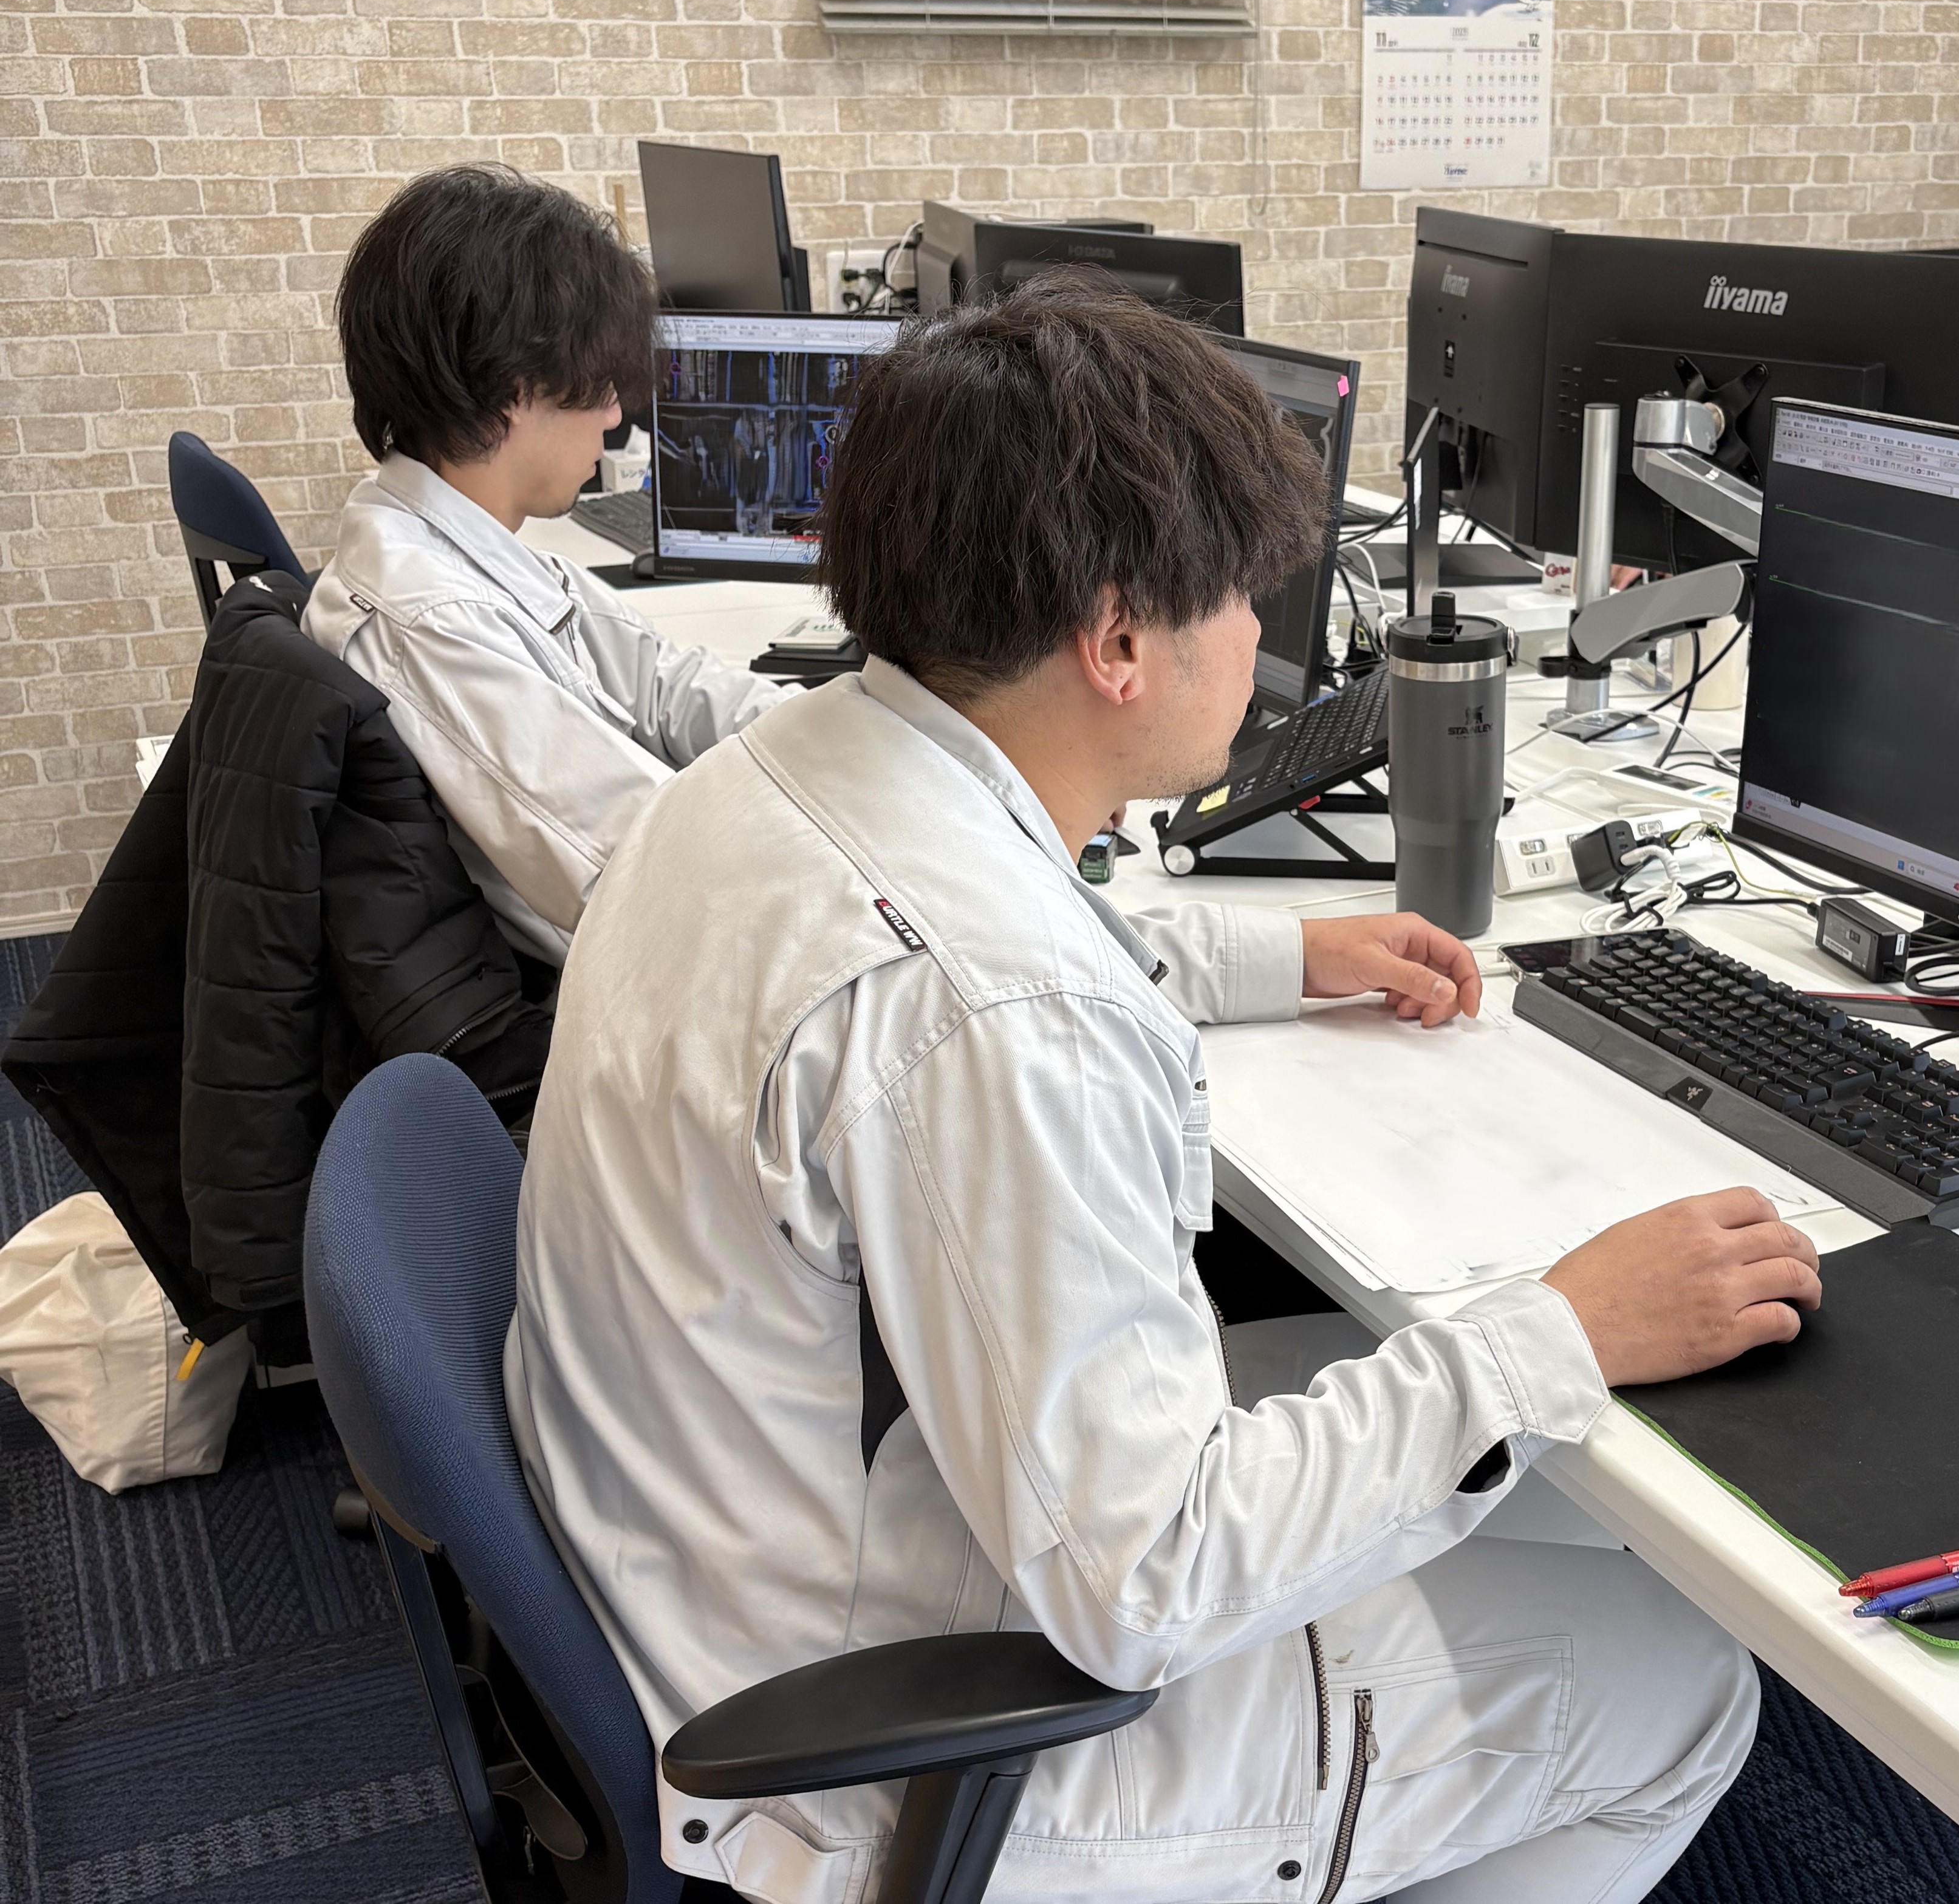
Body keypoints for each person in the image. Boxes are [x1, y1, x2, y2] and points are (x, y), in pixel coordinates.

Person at [506, 273, 1823, 1903]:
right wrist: (1563, 1328)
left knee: (1455, 1428)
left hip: (719, 1561)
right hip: (905, 1727)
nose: (1263, 635)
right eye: (1241, 596)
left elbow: (1002, 937)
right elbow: (1150, 1581)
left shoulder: (778, 773)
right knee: (1685, 1676)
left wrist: (1288, 953)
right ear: (1120, 639)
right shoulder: (990, 1011)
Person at [303, 164, 792, 965]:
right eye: (597, 384)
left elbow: (663, 681)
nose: (616, 414)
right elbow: (658, 878)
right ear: (510, 390)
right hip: (622, 983)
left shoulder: (459, 543)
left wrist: (844, 738)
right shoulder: (431, 621)